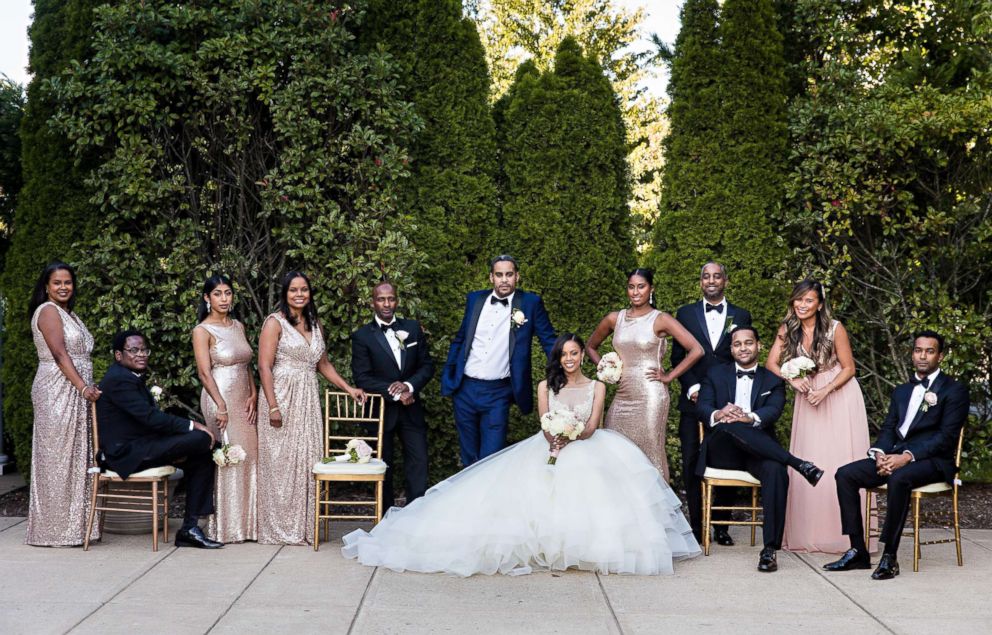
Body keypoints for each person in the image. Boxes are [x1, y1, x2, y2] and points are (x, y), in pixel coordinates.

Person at [342, 333, 700, 576]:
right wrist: (555, 437)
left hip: (587, 445)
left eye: (575, 353)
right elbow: (546, 420)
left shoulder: (597, 386)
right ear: (558, 357)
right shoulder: (547, 385)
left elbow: (592, 425)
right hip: (550, 443)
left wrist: (573, 436)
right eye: (565, 354)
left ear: (581, 357)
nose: (571, 359)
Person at [824, 331, 969, 580]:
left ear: (940, 356)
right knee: (845, 474)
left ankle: (889, 557)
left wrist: (907, 457)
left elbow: (945, 438)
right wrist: (880, 454)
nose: (922, 356)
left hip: (932, 461)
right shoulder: (901, 391)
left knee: (898, 478)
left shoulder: (954, 390)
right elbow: (889, 428)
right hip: (895, 458)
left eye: (929, 351)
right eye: (918, 350)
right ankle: (858, 550)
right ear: (912, 354)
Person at [696, 326, 824, 572]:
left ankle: (770, 550)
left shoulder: (773, 379)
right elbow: (702, 407)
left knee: (776, 470)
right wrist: (720, 413)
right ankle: (799, 464)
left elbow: (773, 411)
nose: (743, 348)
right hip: (723, 451)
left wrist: (749, 418)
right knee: (727, 425)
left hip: (758, 451)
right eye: (737, 344)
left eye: (748, 343)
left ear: (758, 345)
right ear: (731, 349)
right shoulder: (715, 374)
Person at [256, 271, 365, 545]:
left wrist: (348, 389)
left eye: (304, 289)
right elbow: (264, 366)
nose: (299, 294)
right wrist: (272, 406)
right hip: (281, 394)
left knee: (307, 459)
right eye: (294, 290)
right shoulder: (275, 323)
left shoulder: (315, 323)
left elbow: (323, 364)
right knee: (280, 462)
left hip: (307, 397)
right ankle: (279, 527)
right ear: (285, 293)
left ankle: (305, 526)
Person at [766, 279, 871, 553]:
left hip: (839, 395)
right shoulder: (787, 329)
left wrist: (825, 389)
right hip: (808, 399)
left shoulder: (835, 328)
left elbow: (849, 369)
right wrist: (791, 379)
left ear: (819, 304)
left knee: (840, 459)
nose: (802, 305)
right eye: (798, 300)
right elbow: (771, 363)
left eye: (808, 300)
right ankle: (809, 532)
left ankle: (847, 538)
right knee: (812, 460)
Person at [96, 330, 222, 548]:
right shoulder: (119, 380)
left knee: (203, 452)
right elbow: (150, 418)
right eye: (134, 350)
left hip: (142, 446)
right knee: (201, 440)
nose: (141, 354)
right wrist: (193, 425)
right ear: (118, 355)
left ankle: (190, 529)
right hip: (126, 454)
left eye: (144, 349)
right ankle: (191, 526)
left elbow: (147, 421)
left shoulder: (128, 377)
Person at [586, 268, 704, 482]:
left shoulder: (660, 319)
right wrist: (606, 367)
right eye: (631, 287)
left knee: (650, 454)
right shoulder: (615, 318)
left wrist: (669, 376)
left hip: (651, 397)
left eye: (641, 286)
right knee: (613, 450)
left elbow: (696, 350)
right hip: (622, 396)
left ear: (651, 289)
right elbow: (591, 347)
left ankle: (656, 512)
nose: (636, 292)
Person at [441, 255, 556, 466]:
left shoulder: (530, 303)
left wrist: (564, 371)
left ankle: (486, 498)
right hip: (465, 389)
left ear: (517, 276)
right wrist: (450, 373)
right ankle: (470, 499)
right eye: (499, 275)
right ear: (491, 277)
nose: (504, 280)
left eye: (509, 274)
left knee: (490, 458)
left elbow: (549, 340)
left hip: (498, 394)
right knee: (468, 457)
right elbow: (460, 339)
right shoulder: (474, 299)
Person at [670, 261, 752, 544]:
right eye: (706, 276)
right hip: (693, 403)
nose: (712, 281)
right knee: (693, 461)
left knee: (728, 460)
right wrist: (693, 388)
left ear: (726, 281)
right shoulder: (685, 314)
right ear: (700, 282)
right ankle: (697, 527)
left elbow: (744, 358)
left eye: (717, 276)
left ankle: (722, 526)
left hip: (728, 403)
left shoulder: (741, 315)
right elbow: (678, 357)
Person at [25, 262, 101, 546]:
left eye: (67, 282)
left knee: (77, 457)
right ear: (46, 286)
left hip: (76, 389)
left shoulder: (71, 315)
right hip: (57, 389)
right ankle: (53, 529)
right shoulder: (48, 311)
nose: (63, 287)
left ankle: (77, 527)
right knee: (58, 457)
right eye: (57, 282)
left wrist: (84, 388)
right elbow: (58, 353)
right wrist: (82, 387)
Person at [351, 281, 435, 509]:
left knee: (419, 464)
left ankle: (417, 516)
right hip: (381, 413)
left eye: (391, 299)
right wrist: (396, 393)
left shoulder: (413, 328)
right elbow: (363, 378)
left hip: (412, 410)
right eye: (381, 299)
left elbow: (427, 366)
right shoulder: (362, 336)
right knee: (382, 467)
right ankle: (385, 519)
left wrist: (408, 386)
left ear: (397, 300)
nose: (387, 304)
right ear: (373, 302)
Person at [192, 274, 258, 543]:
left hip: (244, 396)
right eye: (217, 293)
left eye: (228, 293)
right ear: (207, 298)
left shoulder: (238, 326)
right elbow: (204, 372)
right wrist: (220, 404)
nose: (224, 298)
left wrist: (254, 394)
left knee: (250, 454)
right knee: (230, 455)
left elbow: (246, 364)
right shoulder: (202, 330)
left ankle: (250, 524)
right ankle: (227, 526)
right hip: (219, 396)